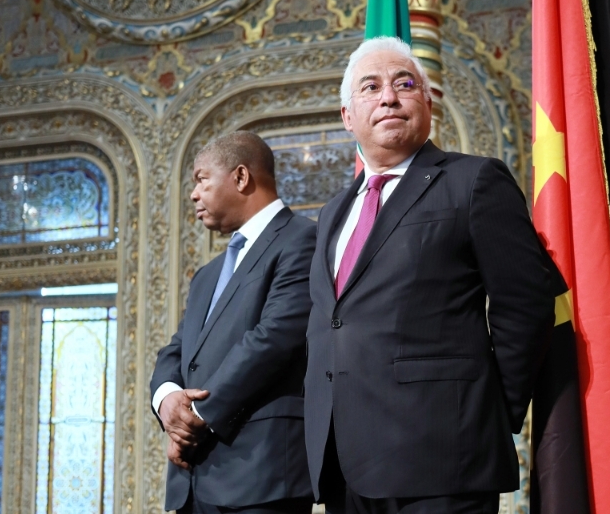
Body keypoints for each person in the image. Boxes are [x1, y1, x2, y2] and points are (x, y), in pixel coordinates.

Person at [304, 36, 556, 514]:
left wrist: (487, 411)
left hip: (443, 457)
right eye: (370, 87)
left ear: (427, 101)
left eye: (404, 84)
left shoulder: (475, 181)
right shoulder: (334, 212)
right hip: (346, 466)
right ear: (347, 116)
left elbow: (525, 302)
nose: (389, 97)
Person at [150, 131, 316, 514]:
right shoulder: (207, 274)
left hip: (260, 475)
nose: (193, 194)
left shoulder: (303, 239)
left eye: (201, 179)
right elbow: (178, 349)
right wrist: (167, 401)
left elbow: (274, 339)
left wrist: (194, 417)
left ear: (240, 177)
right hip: (194, 478)